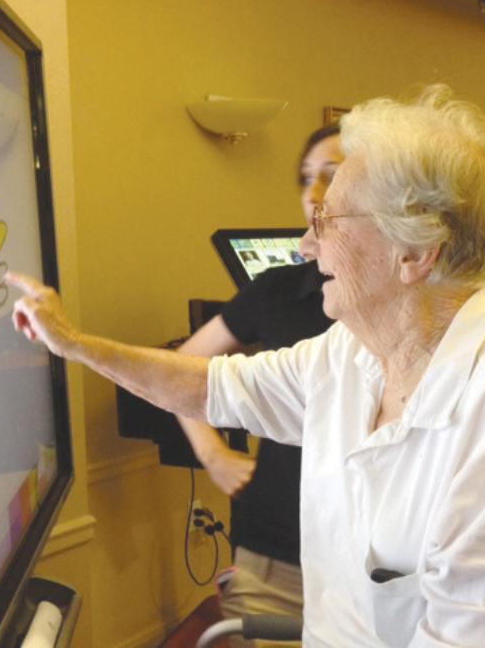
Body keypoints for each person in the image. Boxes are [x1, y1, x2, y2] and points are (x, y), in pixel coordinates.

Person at [8, 84, 485, 647]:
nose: (306, 245)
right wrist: (76, 343)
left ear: (416, 252)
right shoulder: (349, 352)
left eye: (328, 220)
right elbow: (210, 387)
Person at [175, 124, 340, 647]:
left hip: (378, 566)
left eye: (331, 178)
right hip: (276, 558)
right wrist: (213, 454)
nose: (312, 195)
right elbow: (186, 367)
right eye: (304, 179)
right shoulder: (276, 292)